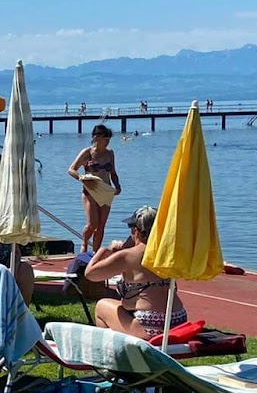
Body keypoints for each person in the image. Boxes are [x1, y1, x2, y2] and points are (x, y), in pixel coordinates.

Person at [85, 206, 186, 338]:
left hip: (150, 324)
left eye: (131, 229)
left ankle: (112, 352)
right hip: (178, 319)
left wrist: (105, 251)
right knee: (121, 306)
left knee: (101, 306)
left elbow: (90, 274)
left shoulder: (128, 256)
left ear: (136, 231)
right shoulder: (170, 252)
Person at [68, 123, 120, 251]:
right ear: (96, 138)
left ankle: (95, 252)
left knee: (101, 225)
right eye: (105, 139)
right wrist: (82, 178)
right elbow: (71, 169)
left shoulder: (110, 153)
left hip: (106, 191)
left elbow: (113, 173)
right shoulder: (87, 153)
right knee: (92, 224)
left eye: (108, 139)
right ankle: (85, 244)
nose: (107, 142)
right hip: (90, 191)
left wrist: (118, 185)